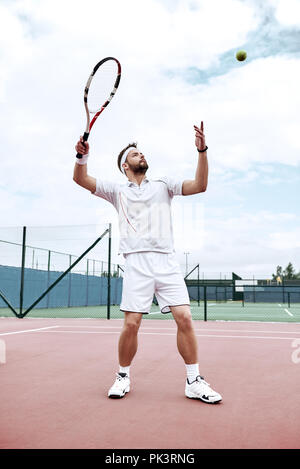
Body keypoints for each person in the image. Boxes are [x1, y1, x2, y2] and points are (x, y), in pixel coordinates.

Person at [73, 122, 222, 404]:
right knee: (131, 323)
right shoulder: (117, 190)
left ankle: (193, 380)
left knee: (185, 317)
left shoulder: (163, 185)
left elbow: (200, 185)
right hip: (136, 263)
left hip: (166, 261)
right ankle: (123, 376)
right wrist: (82, 157)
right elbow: (81, 179)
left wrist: (202, 150)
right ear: (125, 166)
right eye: (134, 154)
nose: (140, 155)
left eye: (141, 152)